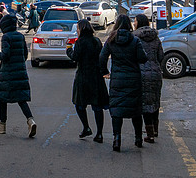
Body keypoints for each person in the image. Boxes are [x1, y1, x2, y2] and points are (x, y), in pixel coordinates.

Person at [99, 13, 146, 151]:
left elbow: (102, 58)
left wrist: (104, 72)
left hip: (117, 80)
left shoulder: (111, 40)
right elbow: (143, 58)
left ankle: (117, 139)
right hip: (134, 79)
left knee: (117, 110)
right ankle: (138, 138)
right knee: (136, 110)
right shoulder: (135, 40)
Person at [0, 14, 36, 138]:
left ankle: (2, 126)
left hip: (7, 73)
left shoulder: (6, 37)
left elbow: (5, 55)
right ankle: (30, 120)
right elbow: (24, 54)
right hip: (20, 72)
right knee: (21, 99)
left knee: (3, 99)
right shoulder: (20, 36)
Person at [66, 18, 108, 143]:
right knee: (97, 106)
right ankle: (99, 133)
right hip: (96, 77)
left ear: (82, 29)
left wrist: (68, 49)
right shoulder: (96, 41)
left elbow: (75, 57)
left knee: (79, 104)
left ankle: (86, 127)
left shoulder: (80, 42)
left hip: (83, 77)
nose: (77, 31)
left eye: (78, 29)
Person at [133, 13, 164, 143]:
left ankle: (150, 134)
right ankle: (155, 129)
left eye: (134, 21)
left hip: (141, 73)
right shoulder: (156, 38)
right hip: (156, 73)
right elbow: (161, 55)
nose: (133, 23)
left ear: (139, 23)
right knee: (155, 101)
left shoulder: (135, 38)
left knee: (145, 103)